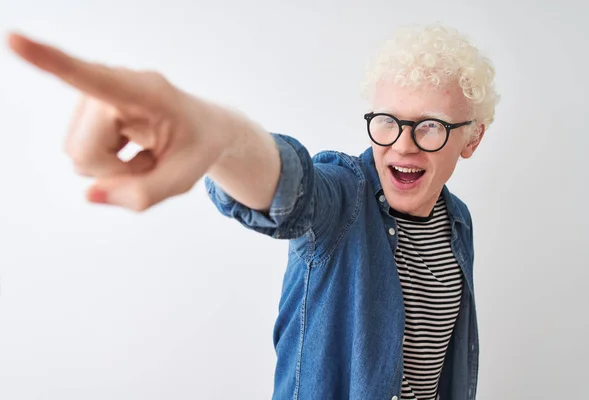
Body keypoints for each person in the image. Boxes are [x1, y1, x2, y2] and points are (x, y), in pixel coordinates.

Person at [7, 23, 499, 400]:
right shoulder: (345, 197)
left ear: (472, 138)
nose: (402, 147)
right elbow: (295, 189)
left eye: (430, 127)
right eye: (388, 121)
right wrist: (221, 137)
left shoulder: (458, 222)